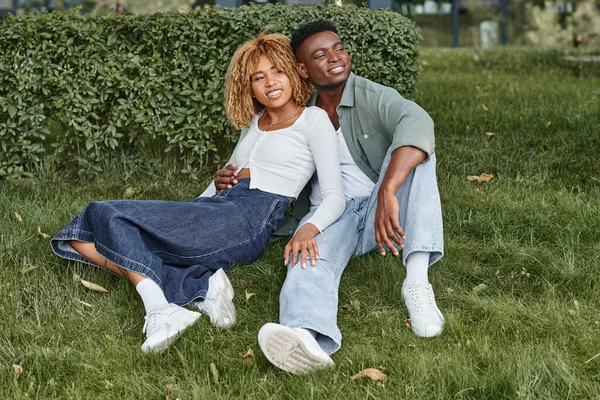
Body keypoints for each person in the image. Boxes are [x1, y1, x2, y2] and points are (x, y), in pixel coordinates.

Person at [51, 32, 345, 355]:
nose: (270, 82)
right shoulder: (254, 121)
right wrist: (204, 195)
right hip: (217, 207)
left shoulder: (313, 121)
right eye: (258, 77)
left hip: (248, 218)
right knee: (78, 238)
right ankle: (201, 287)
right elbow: (228, 175)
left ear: (292, 72)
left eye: (277, 71)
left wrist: (308, 228)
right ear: (248, 87)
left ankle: (160, 308)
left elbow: (334, 195)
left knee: (102, 215)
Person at [212, 20, 445, 374]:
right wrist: (228, 177)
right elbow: (255, 155)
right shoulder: (298, 110)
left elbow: (418, 122)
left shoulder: (370, 94)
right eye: (320, 55)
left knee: (419, 158)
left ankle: (416, 282)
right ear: (302, 69)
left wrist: (388, 189)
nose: (334, 58)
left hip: (382, 213)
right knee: (305, 255)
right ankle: (305, 335)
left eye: (338, 49)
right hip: (333, 213)